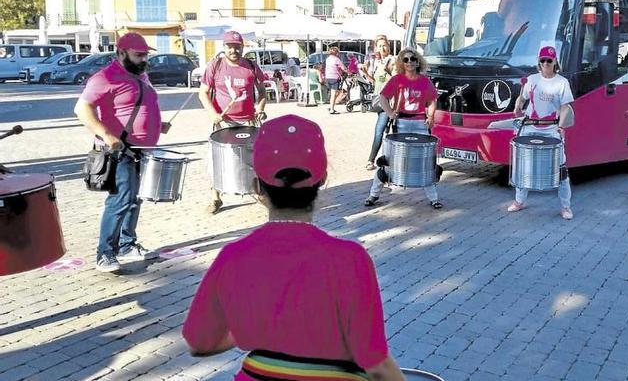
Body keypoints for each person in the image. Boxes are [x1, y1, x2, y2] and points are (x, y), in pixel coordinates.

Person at [183, 115, 406, 381]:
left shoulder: (232, 255)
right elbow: (375, 363)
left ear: (256, 187)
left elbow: (200, 343)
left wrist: (258, 328)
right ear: (322, 179)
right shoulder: (350, 258)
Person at [74, 32, 170, 273]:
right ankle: (104, 253)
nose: (143, 59)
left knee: (135, 200)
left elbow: (140, 105)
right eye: (139, 55)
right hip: (119, 151)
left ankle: (127, 245)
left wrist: (159, 125)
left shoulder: (141, 74)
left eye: (145, 55)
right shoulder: (105, 77)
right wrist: (106, 135)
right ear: (121, 53)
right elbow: (81, 108)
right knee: (120, 199)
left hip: (141, 149)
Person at [198, 30, 267, 215]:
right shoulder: (216, 65)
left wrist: (260, 108)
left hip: (248, 121)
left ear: (242, 47)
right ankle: (216, 198)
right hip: (224, 122)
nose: (233, 50)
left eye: (237, 47)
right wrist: (213, 114)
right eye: (230, 46)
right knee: (217, 159)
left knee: (255, 159)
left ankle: (259, 192)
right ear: (224, 47)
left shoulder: (251, 66)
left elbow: (261, 91)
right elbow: (202, 92)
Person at [364, 48, 443, 209]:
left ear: (417, 61)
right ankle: (373, 195)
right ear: (401, 62)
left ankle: (434, 199)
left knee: (425, 161)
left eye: (412, 59)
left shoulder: (424, 81)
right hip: (401, 123)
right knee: (387, 161)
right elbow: (383, 97)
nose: (409, 62)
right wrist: (390, 113)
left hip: (420, 124)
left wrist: (430, 117)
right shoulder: (397, 80)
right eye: (405, 60)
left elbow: (432, 100)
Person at [508, 46, 575, 220]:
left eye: (549, 61)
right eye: (542, 60)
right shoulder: (531, 79)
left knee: (561, 168)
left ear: (555, 62)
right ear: (539, 62)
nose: (545, 63)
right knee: (524, 164)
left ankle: (565, 207)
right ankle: (519, 201)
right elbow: (522, 98)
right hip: (530, 126)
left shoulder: (562, 82)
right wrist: (517, 108)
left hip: (551, 127)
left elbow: (565, 106)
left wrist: (561, 126)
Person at [365, 38, 394, 170]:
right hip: (379, 100)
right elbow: (374, 82)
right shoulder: (378, 62)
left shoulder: (392, 60)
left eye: (385, 46)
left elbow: (396, 79)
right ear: (376, 48)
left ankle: (371, 160)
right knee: (386, 131)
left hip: (388, 101)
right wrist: (365, 73)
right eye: (380, 46)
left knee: (379, 130)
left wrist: (389, 73)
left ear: (389, 46)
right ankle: (389, 158)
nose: (382, 49)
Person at [324, 46, 346, 114]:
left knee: (333, 93)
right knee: (334, 93)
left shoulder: (327, 59)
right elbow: (343, 68)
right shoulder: (337, 59)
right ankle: (332, 109)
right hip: (334, 77)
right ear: (336, 52)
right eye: (338, 52)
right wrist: (348, 71)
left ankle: (331, 106)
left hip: (328, 77)